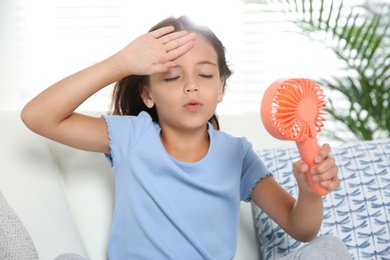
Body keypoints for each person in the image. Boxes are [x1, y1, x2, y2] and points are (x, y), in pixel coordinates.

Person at [21, 16, 351, 259]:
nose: (191, 85)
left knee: (329, 249)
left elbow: (302, 228)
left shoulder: (237, 154)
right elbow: (38, 116)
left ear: (221, 87)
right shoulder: (131, 135)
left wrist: (310, 192)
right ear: (147, 93)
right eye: (172, 76)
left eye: (205, 74)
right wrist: (121, 63)